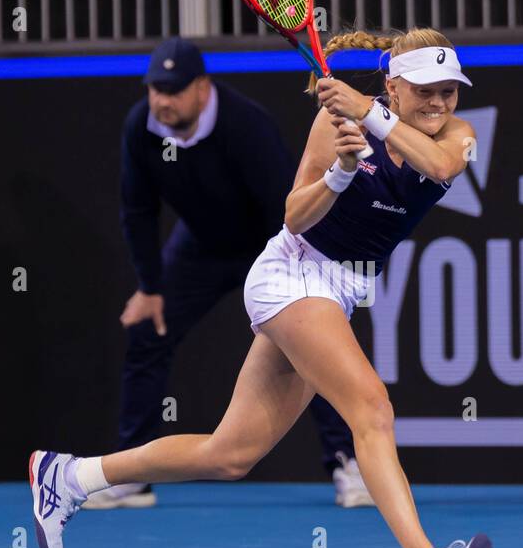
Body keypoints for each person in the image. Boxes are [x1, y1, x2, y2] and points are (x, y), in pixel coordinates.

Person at [30, 28, 491, 548]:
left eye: (450, 92)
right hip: (291, 276)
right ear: (396, 85)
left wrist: (371, 116)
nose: (440, 104)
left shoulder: (456, 135)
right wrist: (341, 174)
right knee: (371, 410)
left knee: (230, 454)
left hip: (339, 291)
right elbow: (294, 217)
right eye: (426, 90)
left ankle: (70, 475)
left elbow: (440, 163)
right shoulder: (333, 126)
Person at [95, 36, 372, 510]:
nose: (161, 100)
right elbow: (137, 210)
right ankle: (129, 478)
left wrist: (303, 284)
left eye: (174, 89)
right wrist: (150, 286)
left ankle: (347, 464)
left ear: (202, 88)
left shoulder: (245, 125)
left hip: (273, 243)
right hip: (201, 246)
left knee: (318, 347)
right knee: (148, 331)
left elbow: (286, 207)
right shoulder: (141, 128)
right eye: (155, 89)